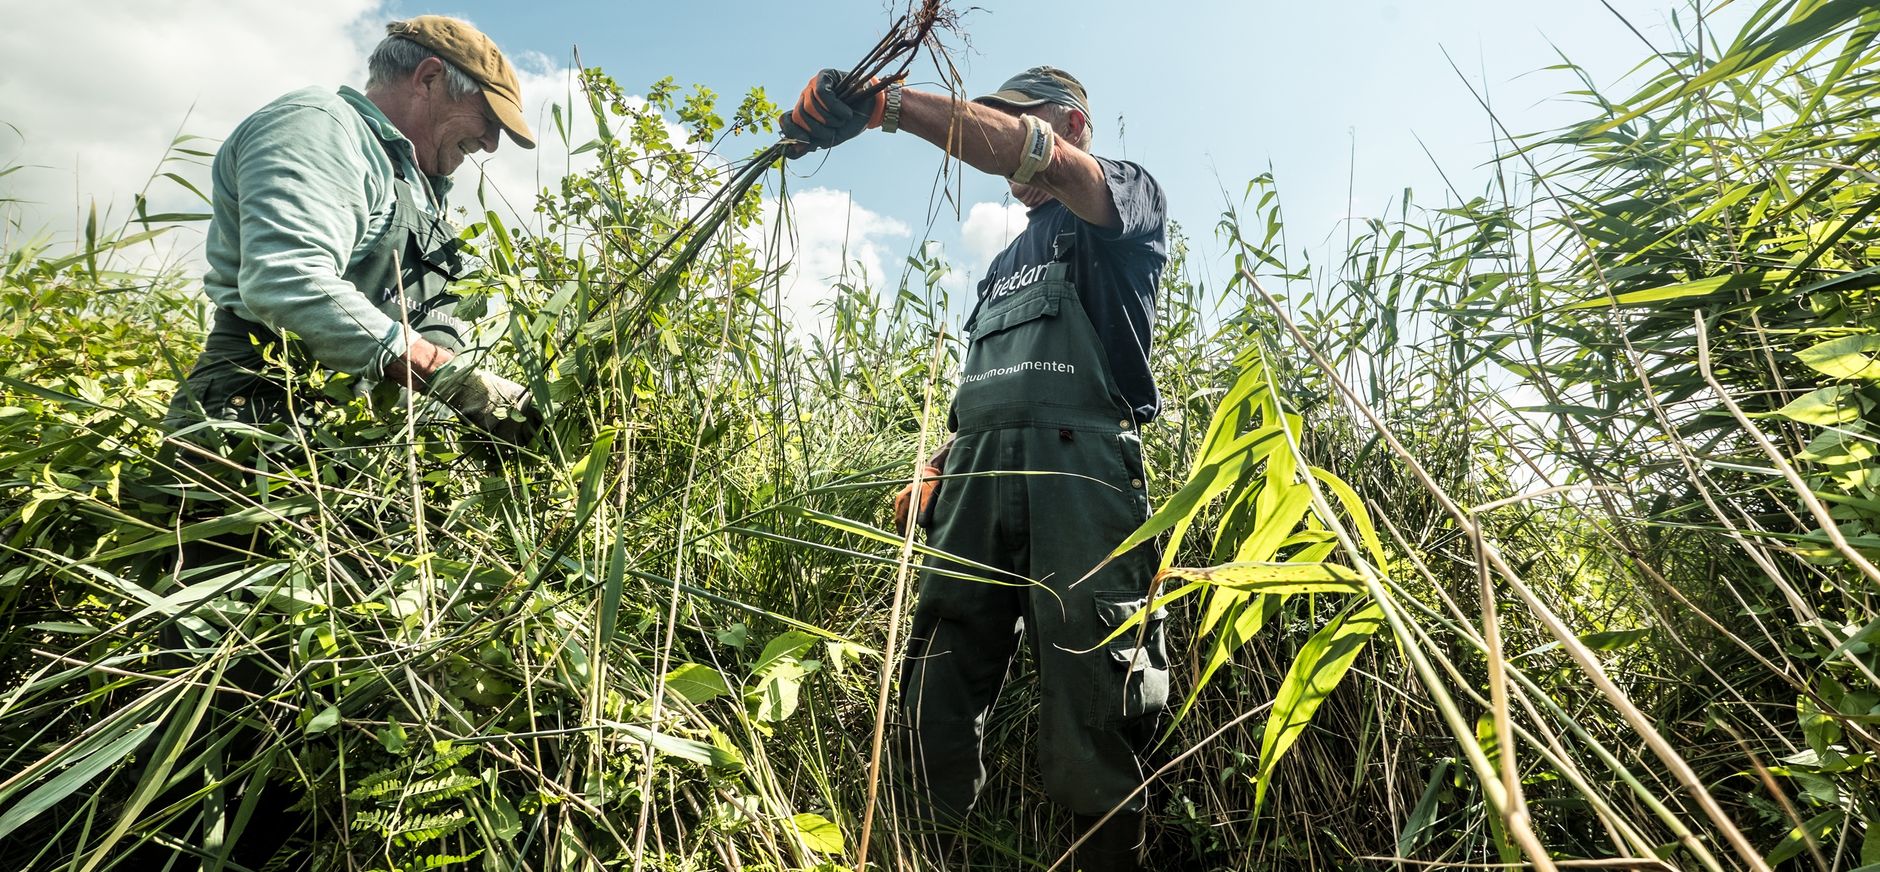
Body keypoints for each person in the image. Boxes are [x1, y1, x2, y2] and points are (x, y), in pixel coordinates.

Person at [146, 17, 540, 868]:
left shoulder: (423, 190)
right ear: (431, 79)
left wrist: (492, 406)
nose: (492, 151)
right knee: (215, 687)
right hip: (252, 417)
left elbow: (428, 322)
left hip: (339, 449)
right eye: (487, 126)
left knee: (310, 689)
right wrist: (445, 374)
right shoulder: (322, 132)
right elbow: (287, 278)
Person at [781, 66, 1171, 871]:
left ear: (1073, 126)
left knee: (1098, 685)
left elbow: (1038, 161)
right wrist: (936, 465)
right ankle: (926, 846)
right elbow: (983, 394)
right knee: (939, 674)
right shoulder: (1002, 265)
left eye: (1017, 123)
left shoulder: (1121, 204)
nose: (1002, 140)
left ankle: (1104, 858)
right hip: (976, 485)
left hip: (1083, 481)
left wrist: (890, 106)